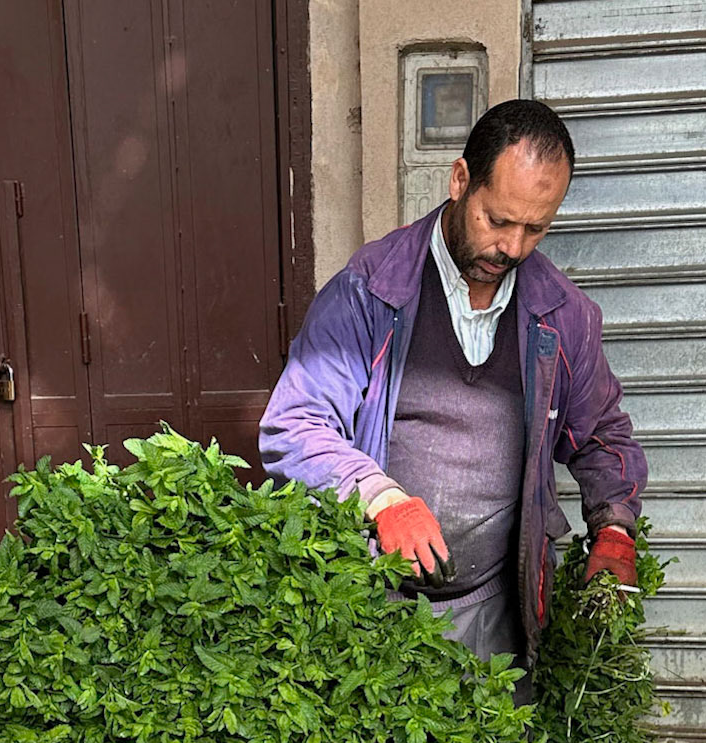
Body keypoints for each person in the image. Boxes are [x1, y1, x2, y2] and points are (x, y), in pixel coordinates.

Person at [259, 100, 648, 694]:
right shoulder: (371, 291)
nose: (513, 247)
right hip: (374, 599)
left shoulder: (562, 317)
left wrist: (615, 525)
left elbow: (600, 435)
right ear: (460, 180)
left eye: (536, 228)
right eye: (498, 220)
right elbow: (295, 424)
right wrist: (381, 498)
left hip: (495, 608)